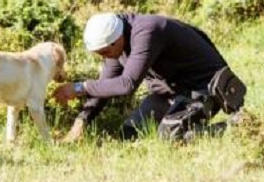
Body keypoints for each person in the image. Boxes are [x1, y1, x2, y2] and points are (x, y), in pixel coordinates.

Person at [54, 12, 241, 142]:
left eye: (104, 51)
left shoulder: (148, 31)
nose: (103, 57)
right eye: (98, 53)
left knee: (169, 136)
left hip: (204, 87)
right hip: (171, 92)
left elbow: (127, 84)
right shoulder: (114, 45)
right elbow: (105, 85)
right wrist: (81, 121)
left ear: (117, 39)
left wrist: (79, 87)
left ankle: (236, 127)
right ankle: (186, 124)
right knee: (130, 134)